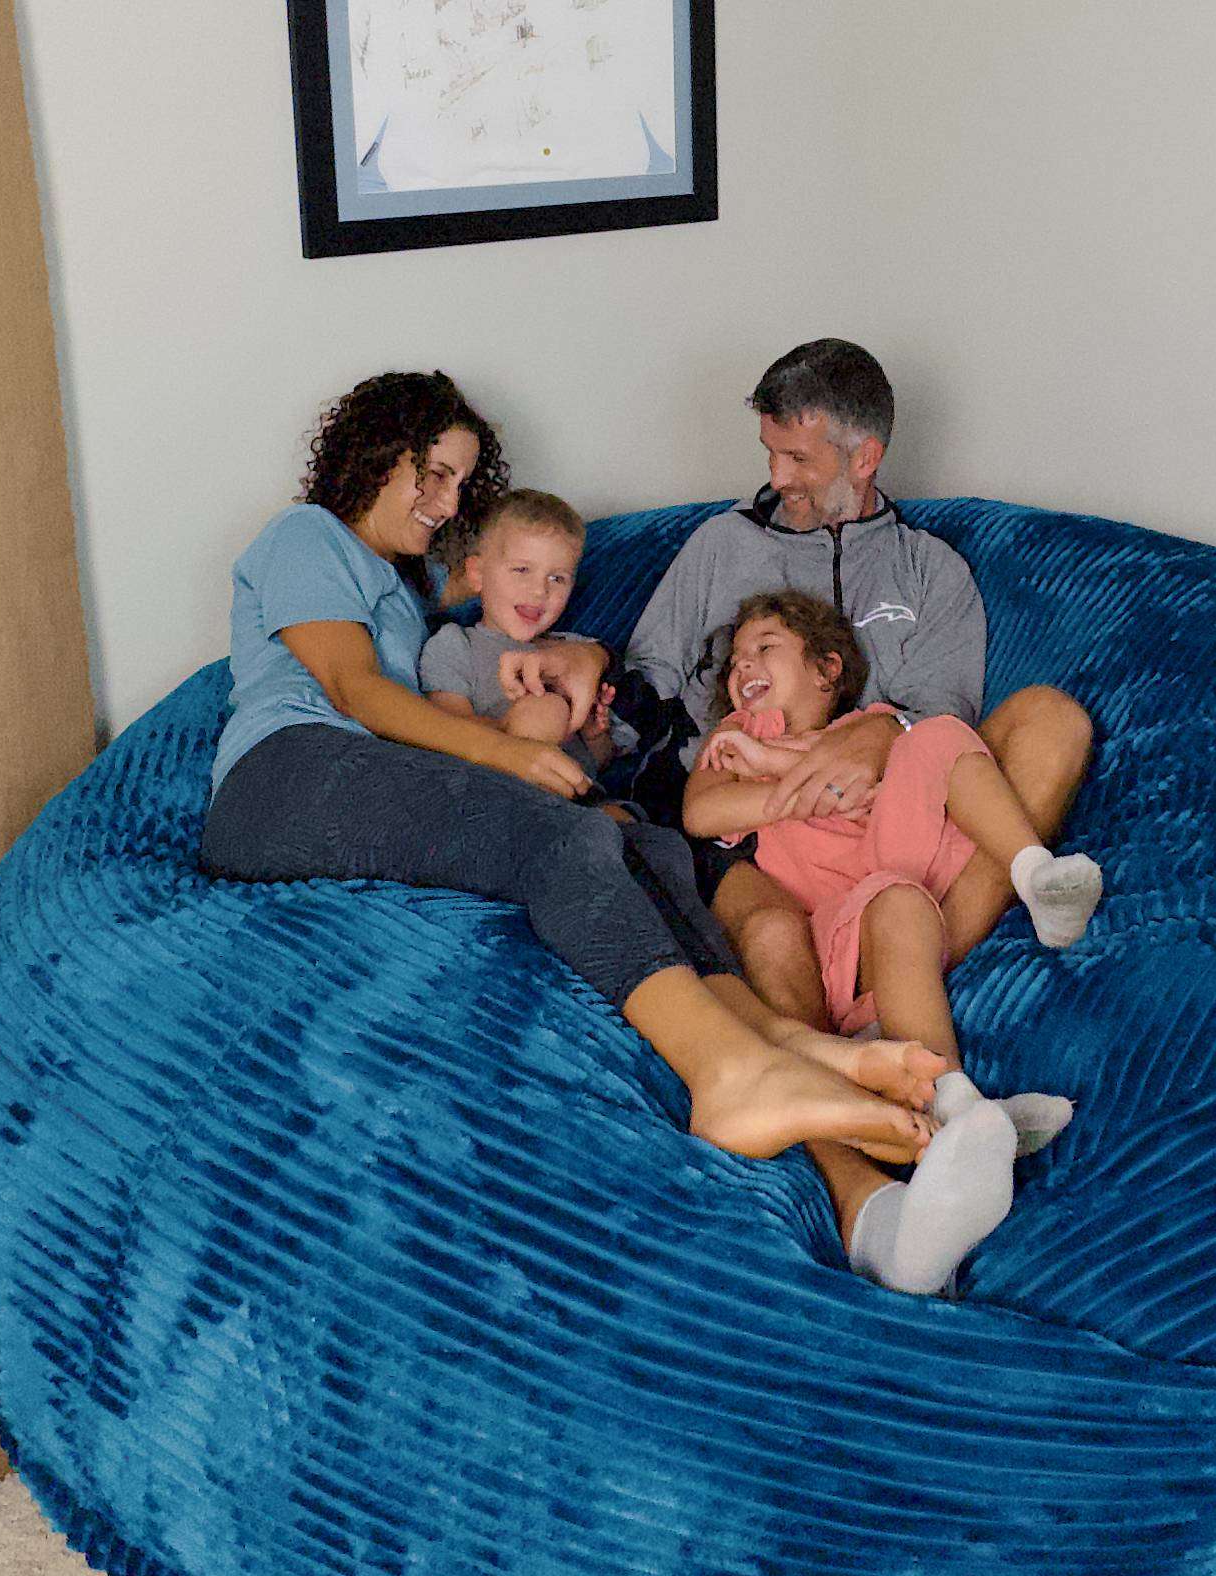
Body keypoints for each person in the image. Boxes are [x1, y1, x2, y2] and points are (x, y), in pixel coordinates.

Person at [197, 370, 941, 1169]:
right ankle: (726, 1072)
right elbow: (354, 688)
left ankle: (786, 1043)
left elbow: (504, 586)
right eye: (434, 473)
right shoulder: (307, 535)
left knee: (639, 845)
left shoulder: (404, 587)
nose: (448, 504)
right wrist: (511, 754)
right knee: (556, 837)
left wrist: (582, 651)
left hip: (357, 777)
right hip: (282, 778)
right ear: (379, 453)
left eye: (460, 482)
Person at [501, 339, 1100, 1271]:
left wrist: (879, 727)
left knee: (1052, 722)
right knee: (776, 937)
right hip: (759, 839)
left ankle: (932, 1005)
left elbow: (954, 724)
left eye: (798, 459)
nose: (774, 478)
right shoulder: (719, 546)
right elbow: (647, 698)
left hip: (895, 826)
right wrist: (585, 677)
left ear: (866, 459)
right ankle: (877, 1165)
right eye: (769, 452)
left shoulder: (927, 570)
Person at [685, 592, 1099, 1292]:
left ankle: (1036, 875)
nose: (742, 665)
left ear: (827, 671)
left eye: (765, 647)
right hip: (853, 929)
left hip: (911, 861)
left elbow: (916, 756)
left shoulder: (875, 726)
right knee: (895, 898)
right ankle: (962, 1109)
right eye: (734, 660)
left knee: (934, 737)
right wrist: (791, 778)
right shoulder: (737, 740)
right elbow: (702, 811)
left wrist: (849, 756)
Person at [418, 489, 616, 776]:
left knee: (624, 815)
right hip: (498, 786)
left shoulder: (570, 653)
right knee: (545, 709)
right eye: (522, 570)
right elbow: (451, 730)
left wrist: (594, 735)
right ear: (477, 573)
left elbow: (596, 765)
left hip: (580, 797)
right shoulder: (454, 644)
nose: (539, 591)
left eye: (556, 578)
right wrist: (536, 722)